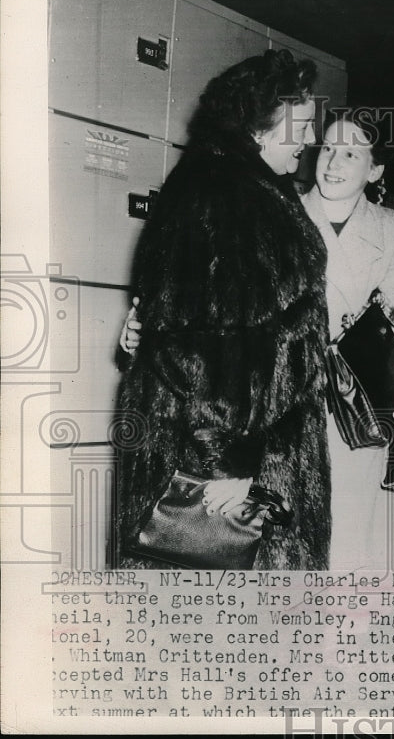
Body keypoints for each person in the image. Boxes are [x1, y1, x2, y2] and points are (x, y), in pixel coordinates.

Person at [113, 49, 331, 569]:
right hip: (227, 474)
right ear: (259, 129)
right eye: (298, 125)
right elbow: (213, 351)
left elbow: (175, 326)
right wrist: (232, 467)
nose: (307, 139)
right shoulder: (236, 199)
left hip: (198, 450)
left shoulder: (214, 184)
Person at [298, 109, 394, 570]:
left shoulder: (393, 231)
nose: (333, 162)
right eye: (328, 148)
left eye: (351, 153)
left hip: (355, 410)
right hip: (290, 404)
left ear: (374, 170)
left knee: (352, 543)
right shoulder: (282, 216)